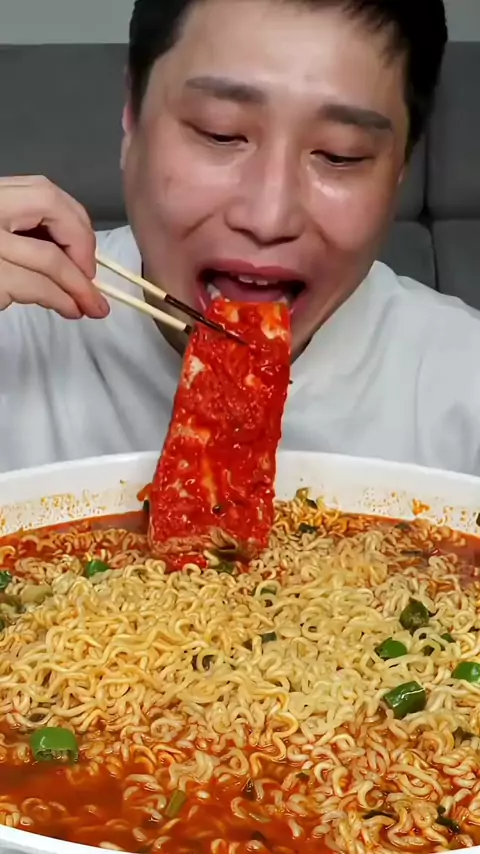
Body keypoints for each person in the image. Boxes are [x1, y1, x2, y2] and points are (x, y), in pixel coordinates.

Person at [2, 0, 477, 476]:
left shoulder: (462, 386)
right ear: (132, 116)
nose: (269, 219)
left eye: (341, 155)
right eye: (221, 133)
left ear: (401, 168)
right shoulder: (17, 334)